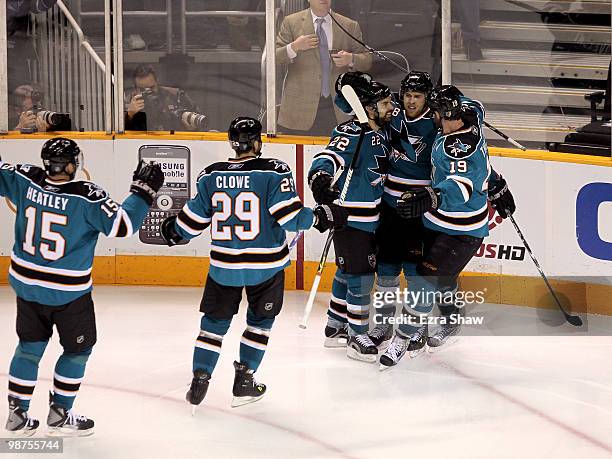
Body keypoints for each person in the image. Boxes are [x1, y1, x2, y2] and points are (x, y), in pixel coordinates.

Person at [160, 117, 347, 409]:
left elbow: (191, 222)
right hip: (266, 268)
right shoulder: (274, 171)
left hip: (224, 268)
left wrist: (174, 230)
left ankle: (200, 376)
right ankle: (244, 380)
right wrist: (322, 216)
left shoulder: (211, 175)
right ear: (257, 142)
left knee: (213, 324)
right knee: (259, 324)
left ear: (232, 143)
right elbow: (291, 219)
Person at [1, 138, 164, 436]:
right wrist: (143, 191)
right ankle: (60, 413)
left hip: (26, 286)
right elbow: (123, 225)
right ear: (74, 164)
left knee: (29, 348)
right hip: (68, 293)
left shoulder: (26, 178)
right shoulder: (88, 195)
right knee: (78, 350)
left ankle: (17, 415)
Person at [378, 85, 515, 369]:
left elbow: (461, 186)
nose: (435, 117)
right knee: (440, 279)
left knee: (426, 282)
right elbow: (474, 105)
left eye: (439, 113)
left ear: (448, 115)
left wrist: (433, 196)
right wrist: (496, 182)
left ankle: (402, 338)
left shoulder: (458, 149)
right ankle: (451, 319)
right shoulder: (472, 115)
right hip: (435, 223)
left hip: (462, 231)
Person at [308, 72, 394, 362]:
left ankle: (335, 326)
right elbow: (330, 156)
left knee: (347, 273)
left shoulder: (380, 131)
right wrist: (321, 177)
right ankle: (358, 335)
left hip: (371, 219)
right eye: (383, 104)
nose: (390, 108)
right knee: (360, 277)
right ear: (368, 107)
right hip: (351, 220)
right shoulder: (351, 133)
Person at [370, 71, 437, 351]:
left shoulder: (436, 123)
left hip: (418, 210)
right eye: (408, 95)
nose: (411, 101)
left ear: (427, 98)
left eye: (417, 96)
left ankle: (417, 324)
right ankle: (384, 322)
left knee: (415, 273)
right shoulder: (392, 115)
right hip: (388, 206)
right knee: (385, 269)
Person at [275, 0, 372, 135]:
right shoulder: (291, 22)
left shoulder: (349, 25)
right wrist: (294, 47)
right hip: (299, 109)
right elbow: (275, 57)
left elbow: (367, 61)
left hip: (338, 107)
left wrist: (351, 59)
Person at [124, 65, 205, 131]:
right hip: (142, 145)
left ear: (157, 82)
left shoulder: (176, 95)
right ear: (135, 88)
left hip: (175, 142)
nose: (148, 92)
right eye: (142, 89)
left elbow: (199, 120)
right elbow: (119, 136)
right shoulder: (129, 102)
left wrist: (192, 128)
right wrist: (130, 115)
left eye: (151, 87)